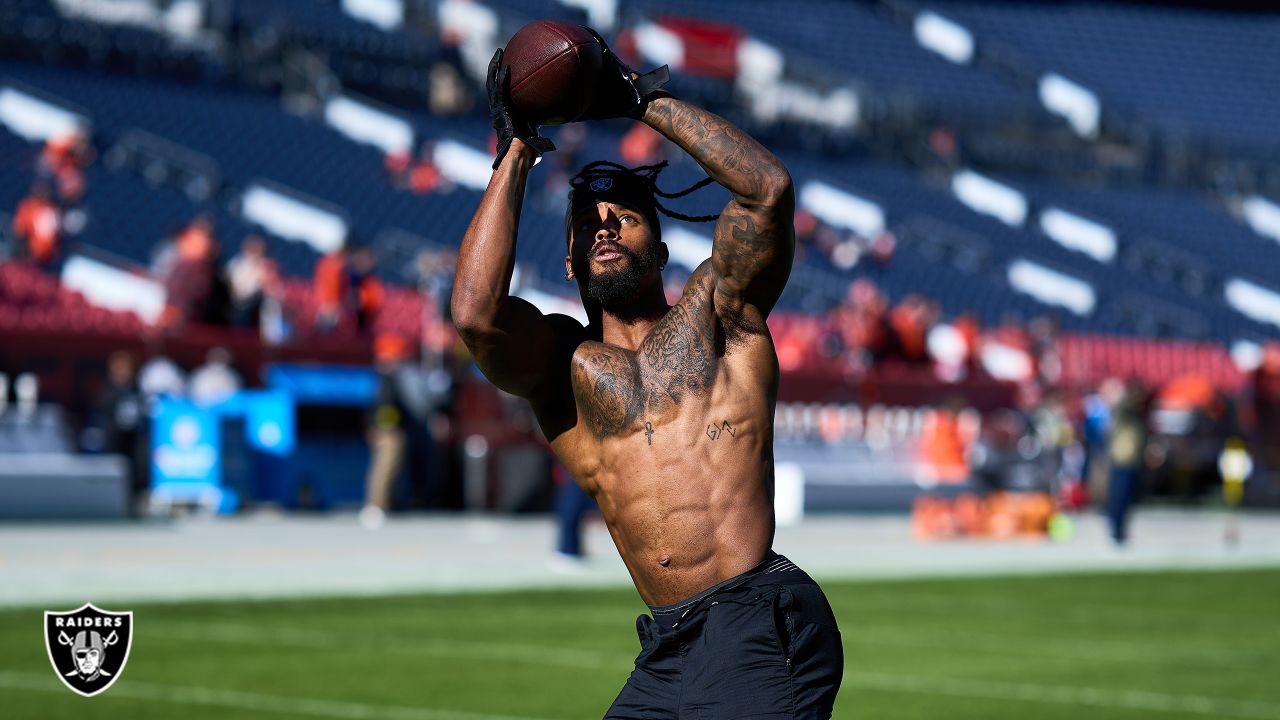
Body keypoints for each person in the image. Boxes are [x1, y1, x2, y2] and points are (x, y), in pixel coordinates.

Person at [452, 36, 842, 719]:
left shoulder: (720, 312)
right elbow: (475, 315)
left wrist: (641, 99)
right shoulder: (561, 370)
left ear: (659, 250)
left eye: (623, 220)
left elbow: (766, 191)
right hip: (668, 647)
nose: (603, 229)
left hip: (757, 616)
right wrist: (515, 150)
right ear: (571, 265)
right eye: (588, 227)